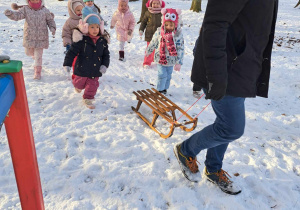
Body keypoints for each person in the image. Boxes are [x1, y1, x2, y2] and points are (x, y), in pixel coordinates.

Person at [173, 0, 278, 195]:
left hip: (242, 67)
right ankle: (185, 150)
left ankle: (213, 168)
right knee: (231, 128)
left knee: (225, 124)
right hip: (225, 70)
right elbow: (214, 25)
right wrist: (216, 76)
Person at [63, 7, 110, 109]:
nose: (95, 30)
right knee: (79, 84)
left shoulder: (102, 41)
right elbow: (72, 52)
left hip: (95, 69)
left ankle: (88, 98)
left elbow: (106, 55)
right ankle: (77, 86)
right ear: (86, 27)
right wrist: (67, 64)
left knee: (92, 85)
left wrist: (104, 65)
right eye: (92, 27)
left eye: (97, 27)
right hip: (82, 69)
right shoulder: (82, 40)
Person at [4, 0, 56, 80]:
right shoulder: (25, 9)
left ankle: (37, 71)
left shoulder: (44, 10)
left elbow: (50, 20)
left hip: (41, 37)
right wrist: (11, 14)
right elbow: (17, 15)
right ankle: (34, 57)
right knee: (28, 52)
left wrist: (52, 28)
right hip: (29, 36)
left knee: (38, 55)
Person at [146, 8, 184, 94]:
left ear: (175, 24)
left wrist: (179, 62)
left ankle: (164, 89)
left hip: (171, 60)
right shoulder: (159, 32)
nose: (168, 27)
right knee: (162, 74)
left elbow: (180, 48)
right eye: (166, 25)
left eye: (171, 25)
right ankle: (159, 90)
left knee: (168, 75)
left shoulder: (178, 35)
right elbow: (154, 41)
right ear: (163, 23)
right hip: (160, 57)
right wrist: (149, 50)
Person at [139, 0, 165, 68]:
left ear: (161, 5)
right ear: (150, 4)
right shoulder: (148, 12)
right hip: (149, 34)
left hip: (159, 35)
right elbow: (144, 22)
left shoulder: (163, 13)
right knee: (149, 48)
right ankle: (147, 62)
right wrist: (141, 30)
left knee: (158, 48)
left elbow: (165, 23)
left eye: (157, 3)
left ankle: (154, 58)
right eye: (154, 3)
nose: (155, 5)